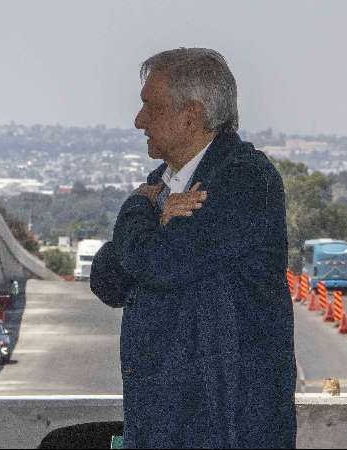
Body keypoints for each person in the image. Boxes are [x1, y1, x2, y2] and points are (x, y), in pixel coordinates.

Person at [90, 48, 296, 448]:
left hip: (227, 428)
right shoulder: (164, 183)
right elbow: (107, 280)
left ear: (192, 115)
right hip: (164, 426)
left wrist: (137, 207)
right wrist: (153, 218)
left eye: (150, 107)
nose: (138, 121)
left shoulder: (243, 181)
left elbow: (160, 263)